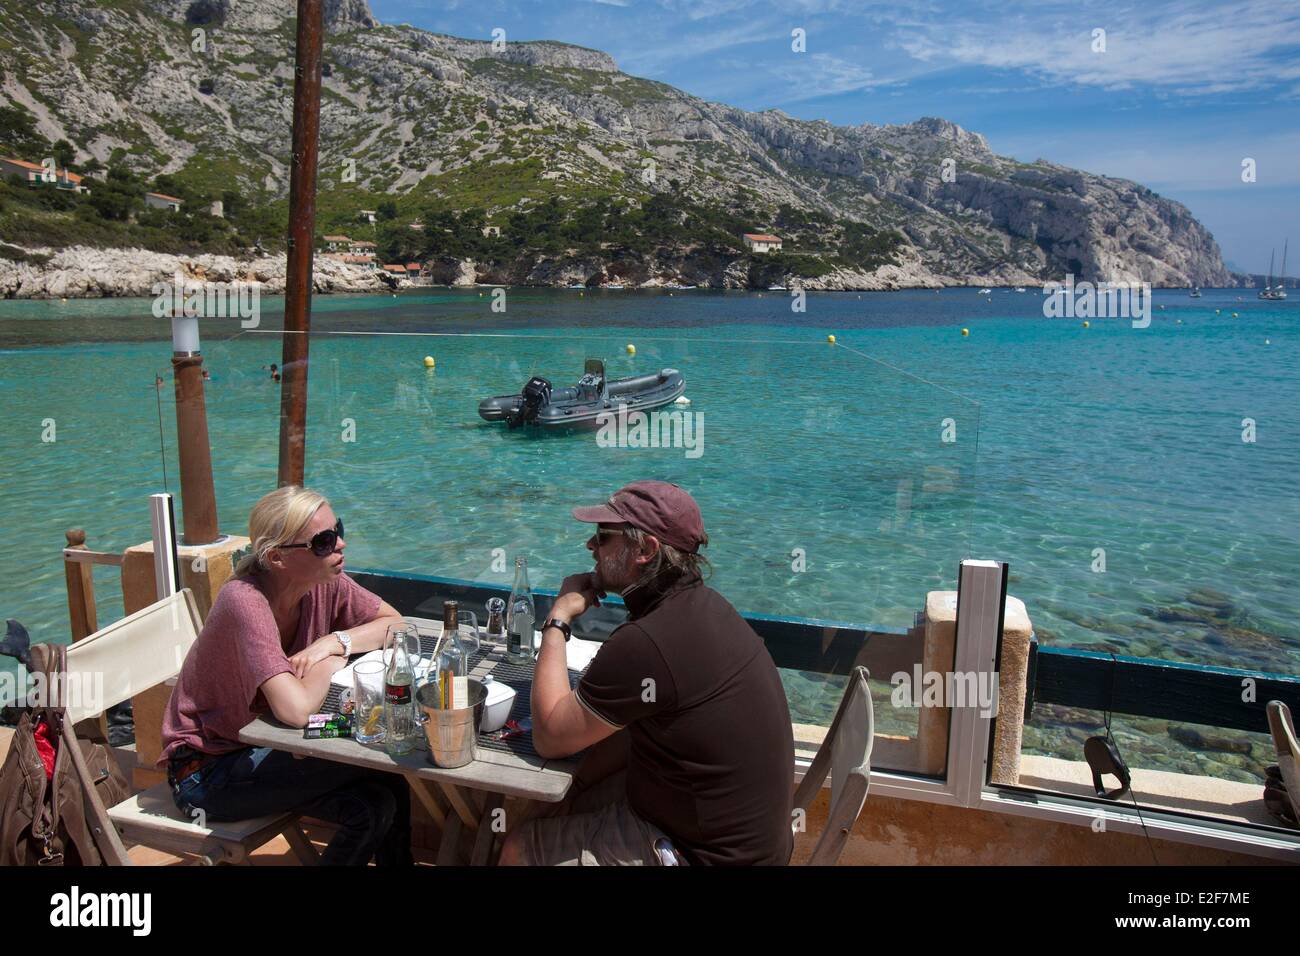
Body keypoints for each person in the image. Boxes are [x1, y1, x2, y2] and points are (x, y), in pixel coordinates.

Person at [499, 480, 795, 866]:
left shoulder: (647, 642)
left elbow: (550, 738)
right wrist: (582, 784)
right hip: (743, 842)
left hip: (702, 855)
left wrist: (558, 619)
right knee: (557, 806)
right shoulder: (706, 608)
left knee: (518, 848)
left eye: (604, 536)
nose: (591, 546)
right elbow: (640, 730)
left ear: (645, 549)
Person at [159, 486, 414, 865]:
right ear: (276, 557)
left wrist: (333, 641)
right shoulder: (245, 602)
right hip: (209, 771)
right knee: (379, 770)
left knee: (384, 789)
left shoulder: (323, 581)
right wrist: (329, 663)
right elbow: (295, 711)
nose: (340, 544)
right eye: (324, 541)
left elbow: (399, 626)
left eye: (338, 530)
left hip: (272, 746)